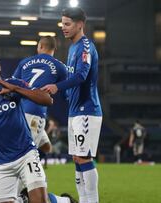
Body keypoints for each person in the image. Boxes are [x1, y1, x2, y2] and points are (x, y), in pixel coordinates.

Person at [0, 52, 76, 203]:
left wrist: (15, 89)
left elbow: (47, 99)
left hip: (26, 155)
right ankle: (63, 201)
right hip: (1, 164)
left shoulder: (14, 84)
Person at [42, 7, 103, 203]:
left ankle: (91, 200)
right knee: (77, 158)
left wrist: (57, 87)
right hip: (75, 110)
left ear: (80, 25)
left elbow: (81, 75)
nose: (63, 28)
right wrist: (66, 92)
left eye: (67, 24)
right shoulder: (72, 47)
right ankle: (83, 200)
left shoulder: (85, 46)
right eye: (62, 24)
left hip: (87, 109)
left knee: (84, 158)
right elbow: (72, 78)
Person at [13, 36, 67, 168]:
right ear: (54, 49)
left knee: (46, 147)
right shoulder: (59, 66)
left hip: (21, 111)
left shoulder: (25, 62)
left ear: (41, 46)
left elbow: (12, 83)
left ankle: (33, 176)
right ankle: (21, 187)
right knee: (26, 155)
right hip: (36, 112)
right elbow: (66, 93)